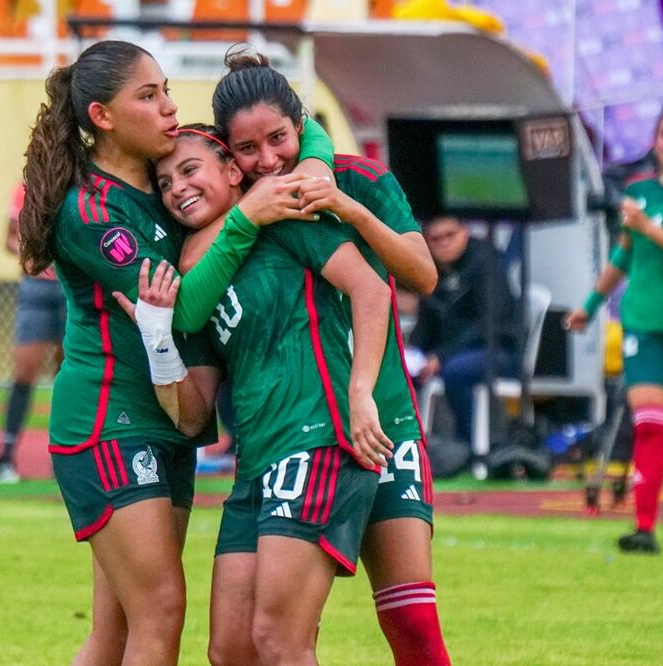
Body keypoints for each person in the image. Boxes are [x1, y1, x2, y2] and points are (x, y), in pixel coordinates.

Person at [18, 41, 321, 664]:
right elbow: (177, 305)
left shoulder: (172, 172)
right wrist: (247, 218)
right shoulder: (91, 210)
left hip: (168, 421)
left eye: (167, 90)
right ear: (103, 117)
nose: (170, 108)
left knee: (116, 634)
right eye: (149, 95)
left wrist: (281, 111)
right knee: (159, 611)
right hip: (110, 422)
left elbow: (288, 141)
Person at [120, 123, 394, 666]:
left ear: (230, 171)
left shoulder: (282, 217)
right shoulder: (193, 277)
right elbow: (192, 414)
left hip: (318, 441)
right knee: (231, 650)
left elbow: (371, 288)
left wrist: (361, 392)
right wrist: (156, 337)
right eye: (165, 181)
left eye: (189, 170)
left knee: (280, 640)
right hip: (257, 463)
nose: (177, 188)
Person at [211, 50, 451, 665]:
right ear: (226, 153)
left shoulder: (360, 179)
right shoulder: (241, 215)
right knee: (279, 635)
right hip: (300, 433)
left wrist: (346, 207)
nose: (268, 160)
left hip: (384, 422)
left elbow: (421, 273)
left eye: (279, 138)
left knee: (413, 624)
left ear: (302, 127)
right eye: (246, 149)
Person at [567, 104, 663, 555]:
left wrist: (648, 227)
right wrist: (590, 305)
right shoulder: (638, 189)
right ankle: (645, 528)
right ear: (655, 142)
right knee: (651, 424)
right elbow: (624, 255)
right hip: (642, 322)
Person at [410, 216, 520, 449]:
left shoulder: (486, 262)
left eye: (450, 235)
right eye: (435, 238)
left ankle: (468, 446)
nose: (443, 243)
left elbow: (490, 323)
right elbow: (426, 323)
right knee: (401, 369)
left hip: (497, 349)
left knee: (456, 370)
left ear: (464, 233)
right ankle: (408, 446)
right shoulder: (430, 269)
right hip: (447, 353)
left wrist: (441, 357)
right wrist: (413, 353)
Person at [0, 183, 64, 484]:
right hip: (37, 286)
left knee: (67, 376)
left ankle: (65, 459)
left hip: (72, 289)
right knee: (23, 372)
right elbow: (10, 239)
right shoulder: (25, 189)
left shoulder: (77, 186)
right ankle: (5, 456)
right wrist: (30, 253)